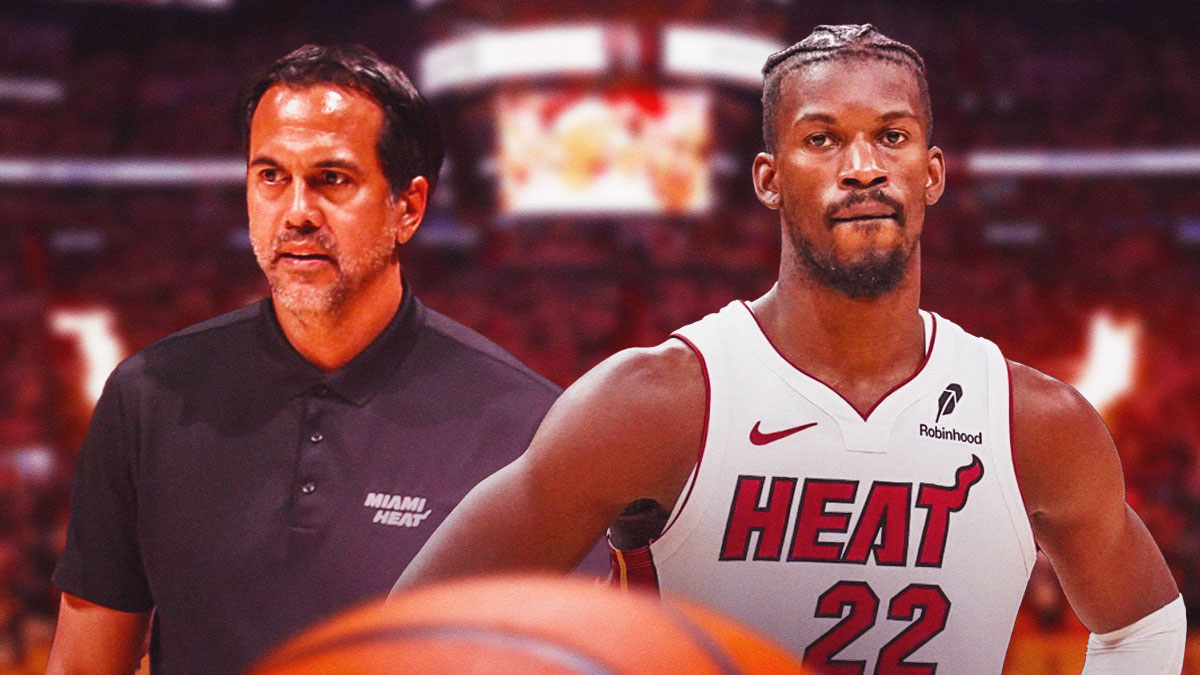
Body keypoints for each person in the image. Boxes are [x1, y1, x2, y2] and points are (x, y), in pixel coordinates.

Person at [393, 25, 1185, 673]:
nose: (864, 166)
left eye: (892, 136)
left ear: (932, 172)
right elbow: (411, 633)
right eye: (823, 139)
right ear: (769, 178)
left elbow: (1145, 627)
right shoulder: (658, 402)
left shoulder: (1034, 420)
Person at [46, 44, 561, 675]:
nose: (295, 212)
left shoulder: (524, 424)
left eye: (331, 179)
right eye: (271, 177)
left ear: (408, 207)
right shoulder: (148, 396)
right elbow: (83, 664)